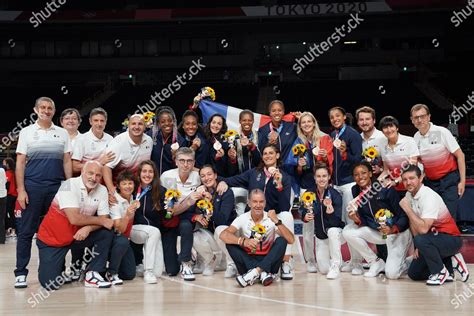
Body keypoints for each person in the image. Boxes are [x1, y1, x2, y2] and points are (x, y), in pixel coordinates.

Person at [14, 96, 72, 288]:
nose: (46, 111)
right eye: (43, 107)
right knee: (26, 231)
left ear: (54, 111)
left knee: (58, 229)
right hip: (33, 187)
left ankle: (58, 270)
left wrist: (68, 186)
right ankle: (20, 272)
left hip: (57, 187)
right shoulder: (26, 132)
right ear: (36, 109)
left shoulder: (63, 133)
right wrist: (21, 190)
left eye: (49, 108)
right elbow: (20, 163)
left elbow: (66, 161)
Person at [218, 144, 295, 280]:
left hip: (271, 217)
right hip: (252, 217)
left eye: (271, 153)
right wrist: (221, 182)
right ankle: (257, 270)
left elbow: (284, 206)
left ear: (277, 156)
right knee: (226, 235)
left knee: (287, 216)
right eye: (265, 153)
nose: (268, 156)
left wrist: (279, 185)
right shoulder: (254, 173)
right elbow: (233, 180)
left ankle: (285, 263)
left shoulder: (285, 177)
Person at [36, 161, 114, 290]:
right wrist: (100, 221)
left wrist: (89, 228)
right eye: (90, 173)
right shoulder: (69, 185)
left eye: (98, 175)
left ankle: (93, 274)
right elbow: (74, 219)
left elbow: (104, 219)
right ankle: (50, 264)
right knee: (51, 284)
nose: (93, 178)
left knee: (106, 233)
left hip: (77, 236)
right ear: (82, 172)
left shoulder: (102, 190)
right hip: (53, 239)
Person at [400, 165, 470, 285]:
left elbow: (423, 229)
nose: (408, 182)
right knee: (414, 274)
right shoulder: (408, 195)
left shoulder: (428, 196)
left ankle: (440, 273)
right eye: (405, 179)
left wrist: (408, 209)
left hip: (450, 239)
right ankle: (450, 265)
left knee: (421, 240)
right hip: (431, 239)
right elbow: (413, 221)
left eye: (412, 178)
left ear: (421, 178)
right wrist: (417, 247)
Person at [342, 161, 412, 279]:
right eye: (356, 175)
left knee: (392, 274)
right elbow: (366, 217)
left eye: (363, 173)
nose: (360, 177)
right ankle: (375, 262)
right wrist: (357, 219)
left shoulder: (385, 188)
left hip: (397, 233)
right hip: (379, 232)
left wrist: (393, 228)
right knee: (348, 231)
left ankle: (410, 262)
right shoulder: (355, 190)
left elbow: (403, 216)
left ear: (370, 174)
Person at [285, 111, 333, 272]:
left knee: (326, 220)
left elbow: (330, 162)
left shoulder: (324, 138)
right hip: (307, 187)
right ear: (300, 126)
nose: (306, 124)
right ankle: (310, 260)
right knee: (308, 223)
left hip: (324, 186)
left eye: (308, 121)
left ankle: (328, 256)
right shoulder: (298, 141)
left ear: (314, 123)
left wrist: (325, 157)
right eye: (302, 122)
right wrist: (299, 165)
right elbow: (296, 170)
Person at [220, 189, 295, 287]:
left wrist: (277, 221)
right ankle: (263, 274)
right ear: (249, 203)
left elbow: (291, 240)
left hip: (269, 260)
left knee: (282, 240)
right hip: (248, 261)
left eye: (261, 202)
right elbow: (223, 235)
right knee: (230, 244)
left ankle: (255, 273)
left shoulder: (271, 218)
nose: (258, 205)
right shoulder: (242, 218)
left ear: (265, 202)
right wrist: (242, 241)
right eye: (255, 202)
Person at [411, 104, 466, 221]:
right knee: (434, 217)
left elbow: (460, 155)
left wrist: (462, 181)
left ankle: (451, 238)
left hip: (449, 181)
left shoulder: (441, 132)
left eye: (422, 116)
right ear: (412, 120)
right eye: (416, 117)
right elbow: (421, 163)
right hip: (430, 183)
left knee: (449, 218)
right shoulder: (415, 138)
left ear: (429, 117)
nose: (419, 120)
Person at [160, 147, 201, 280]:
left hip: (187, 217)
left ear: (194, 163)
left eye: (189, 161)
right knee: (171, 270)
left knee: (186, 226)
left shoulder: (198, 177)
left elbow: (212, 177)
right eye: (182, 160)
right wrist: (188, 202)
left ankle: (186, 262)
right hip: (169, 218)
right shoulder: (166, 176)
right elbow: (169, 211)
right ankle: (183, 259)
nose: (185, 164)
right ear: (176, 162)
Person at [189, 165, 237, 277]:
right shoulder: (201, 192)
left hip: (226, 234)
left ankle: (231, 263)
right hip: (210, 232)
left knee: (221, 230)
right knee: (193, 234)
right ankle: (210, 260)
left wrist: (210, 202)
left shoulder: (226, 191)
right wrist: (197, 215)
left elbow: (223, 220)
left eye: (209, 174)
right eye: (203, 176)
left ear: (215, 175)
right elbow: (193, 212)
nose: (207, 178)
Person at [300, 163, 345, 279]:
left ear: (329, 177)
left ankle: (336, 264)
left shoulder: (335, 195)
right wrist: (305, 217)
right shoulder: (308, 194)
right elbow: (303, 210)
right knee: (324, 270)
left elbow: (338, 221)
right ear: (314, 178)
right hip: (321, 236)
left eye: (324, 176)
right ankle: (337, 262)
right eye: (318, 176)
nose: (321, 179)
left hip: (336, 232)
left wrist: (331, 214)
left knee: (332, 231)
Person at [131, 160, 166, 284]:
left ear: (154, 174)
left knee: (159, 273)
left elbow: (165, 216)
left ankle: (147, 267)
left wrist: (169, 210)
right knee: (154, 231)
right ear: (139, 173)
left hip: (153, 232)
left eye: (150, 172)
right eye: (144, 171)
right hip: (133, 229)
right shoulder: (132, 188)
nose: (147, 174)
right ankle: (148, 271)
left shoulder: (161, 191)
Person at [103, 114, 153, 197]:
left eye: (140, 124)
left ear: (145, 126)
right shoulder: (118, 143)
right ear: (128, 126)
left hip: (139, 187)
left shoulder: (149, 141)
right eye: (133, 124)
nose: (136, 127)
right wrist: (112, 191)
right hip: (120, 187)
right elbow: (106, 167)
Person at [328, 106, 362, 224]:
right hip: (336, 183)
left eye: (337, 116)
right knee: (339, 217)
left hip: (349, 183)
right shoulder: (333, 134)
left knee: (350, 217)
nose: (335, 119)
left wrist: (345, 154)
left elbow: (358, 159)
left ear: (344, 117)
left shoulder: (353, 134)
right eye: (332, 117)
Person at [107, 170, 139, 285]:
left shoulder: (133, 198)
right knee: (122, 241)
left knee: (129, 274)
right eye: (124, 183)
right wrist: (127, 216)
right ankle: (111, 273)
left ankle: (106, 269)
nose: (127, 186)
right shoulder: (114, 201)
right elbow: (119, 229)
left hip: (125, 239)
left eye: (130, 183)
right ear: (118, 186)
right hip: (113, 238)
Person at [379, 116, 419, 196]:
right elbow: (386, 170)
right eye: (385, 127)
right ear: (382, 131)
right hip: (395, 189)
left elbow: (412, 167)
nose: (389, 130)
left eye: (391, 126)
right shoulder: (383, 146)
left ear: (397, 128)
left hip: (412, 187)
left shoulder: (409, 141)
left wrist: (396, 181)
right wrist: (376, 183)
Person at [72, 107, 114, 175]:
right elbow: (74, 167)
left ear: (106, 122)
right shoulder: (81, 139)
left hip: (106, 177)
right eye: (96, 120)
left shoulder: (110, 139)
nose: (99, 124)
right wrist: (99, 163)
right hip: (87, 179)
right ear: (90, 121)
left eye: (102, 121)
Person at [150, 106, 185, 175]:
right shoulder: (151, 136)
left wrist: (175, 157)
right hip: (153, 178)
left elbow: (183, 165)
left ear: (174, 122)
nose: (167, 123)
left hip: (170, 179)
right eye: (163, 121)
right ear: (158, 123)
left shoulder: (180, 140)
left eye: (170, 121)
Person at [356, 106, 386, 174]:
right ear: (357, 122)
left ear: (374, 120)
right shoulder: (357, 139)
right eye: (361, 120)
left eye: (367, 119)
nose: (364, 123)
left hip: (382, 179)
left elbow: (392, 161)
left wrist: (381, 170)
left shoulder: (383, 137)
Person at [3, 158, 17, 238]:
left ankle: (8, 229)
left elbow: (7, 185)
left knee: (6, 213)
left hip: (9, 195)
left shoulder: (8, 173)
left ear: (7, 164)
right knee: (12, 213)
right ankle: (13, 230)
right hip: (15, 195)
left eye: (4, 163)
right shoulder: (14, 172)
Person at [0, 167, 6, 244]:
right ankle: (2, 239)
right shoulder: (2, 170)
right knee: (1, 218)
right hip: (3, 196)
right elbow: (5, 181)